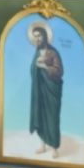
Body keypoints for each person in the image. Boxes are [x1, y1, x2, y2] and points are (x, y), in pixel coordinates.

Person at [28, 23, 64, 158]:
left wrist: (43, 66)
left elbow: (59, 71)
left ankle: (54, 147)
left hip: (52, 89)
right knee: (41, 116)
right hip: (40, 90)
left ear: (45, 36)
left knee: (52, 117)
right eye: (35, 36)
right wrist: (35, 65)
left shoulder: (53, 52)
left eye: (39, 36)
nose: (37, 39)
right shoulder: (36, 53)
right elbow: (32, 69)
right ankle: (42, 145)